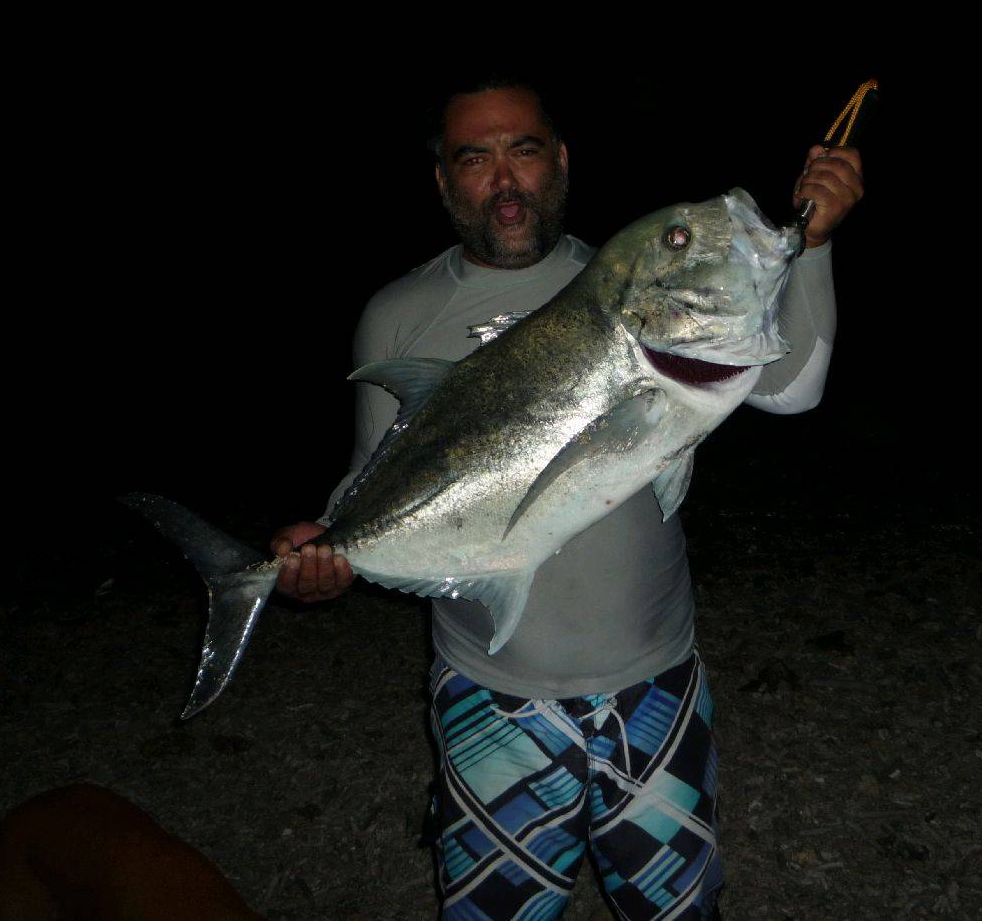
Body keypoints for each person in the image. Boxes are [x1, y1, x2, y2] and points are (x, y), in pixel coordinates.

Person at [269, 80, 863, 919]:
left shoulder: (612, 276)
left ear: (561, 161)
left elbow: (793, 392)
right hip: (485, 692)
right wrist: (327, 550)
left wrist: (815, 247)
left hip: (655, 683)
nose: (504, 180)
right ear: (444, 179)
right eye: (476, 159)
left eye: (525, 149)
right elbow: (371, 480)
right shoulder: (396, 317)